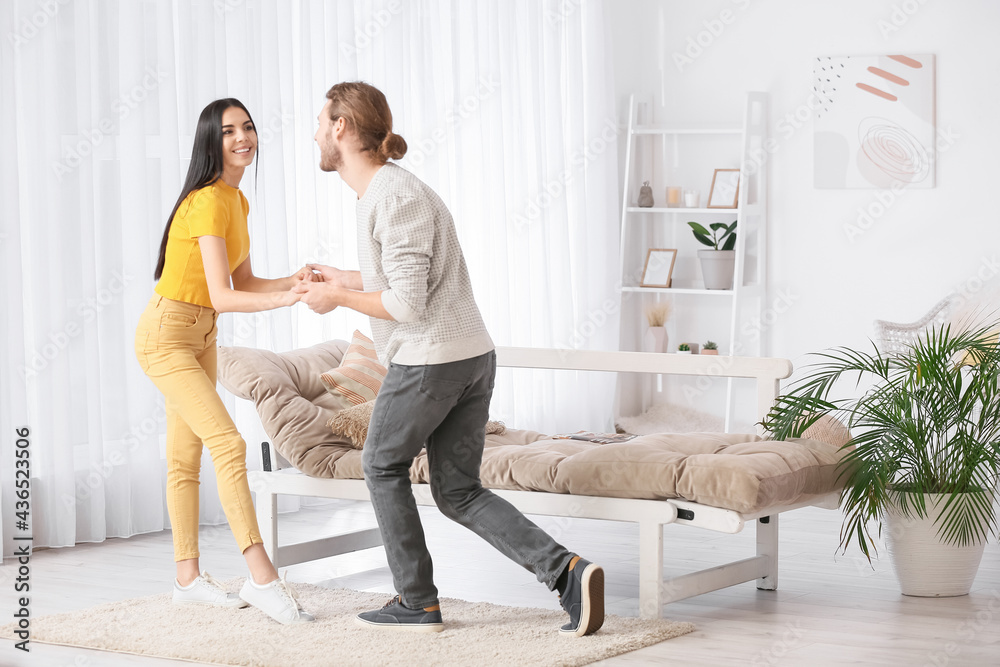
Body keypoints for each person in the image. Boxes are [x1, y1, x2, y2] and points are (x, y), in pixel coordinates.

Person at [296, 81, 605, 636]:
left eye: (321, 120)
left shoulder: (393, 195)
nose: (315, 130)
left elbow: (408, 303)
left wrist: (338, 298)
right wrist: (342, 277)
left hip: (430, 363)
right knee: (458, 491)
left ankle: (416, 601)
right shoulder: (387, 193)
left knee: (379, 464)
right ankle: (567, 574)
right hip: (465, 359)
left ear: (341, 127)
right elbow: (406, 277)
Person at [135, 98, 314, 625]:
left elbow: (245, 283)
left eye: (249, 128)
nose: (243, 138)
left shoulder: (237, 201)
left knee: (183, 458)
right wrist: (281, 301)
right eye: (229, 131)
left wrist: (293, 282)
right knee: (229, 444)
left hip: (200, 337)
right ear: (211, 142)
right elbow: (222, 294)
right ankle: (263, 577)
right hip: (166, 336)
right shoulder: (208, 201)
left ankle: (186, 581)